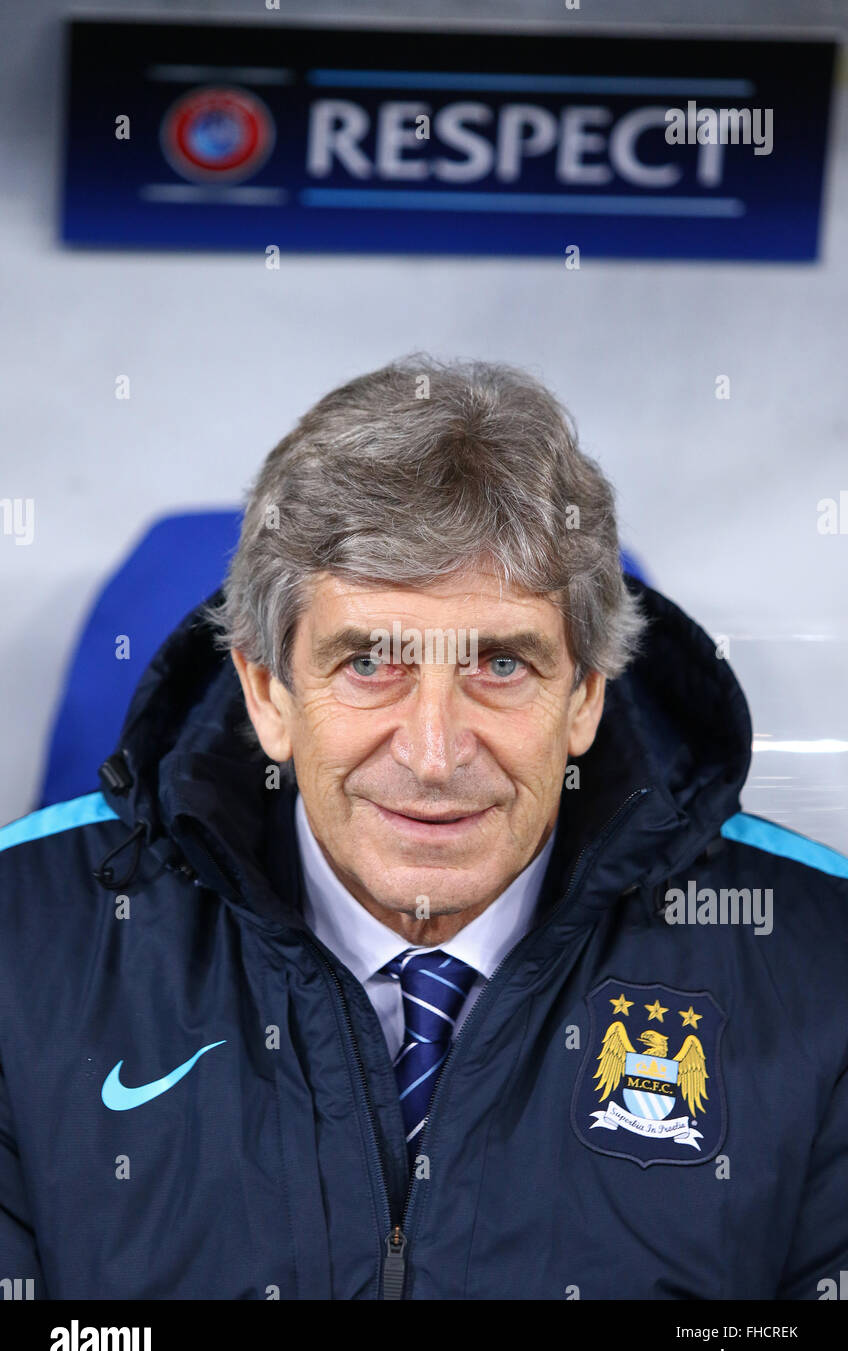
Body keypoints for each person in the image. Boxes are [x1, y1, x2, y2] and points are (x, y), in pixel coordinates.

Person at [1, 356, 847, 1301]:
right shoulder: (17, 944)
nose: (436, 753)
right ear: (268, 694)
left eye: (500, 666)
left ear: (586, 698)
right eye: (370, 664)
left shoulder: (824, 965)